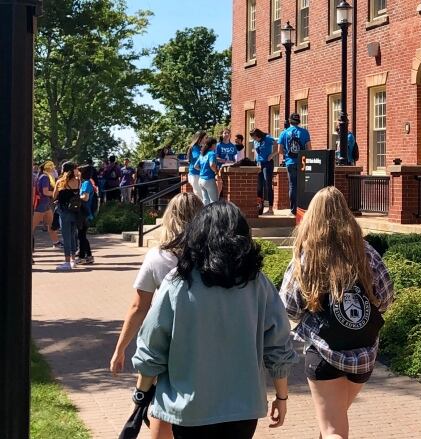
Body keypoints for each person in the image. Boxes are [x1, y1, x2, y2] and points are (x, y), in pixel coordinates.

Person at [132, 201, 297, 438]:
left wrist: (141, 394)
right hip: (244, 407)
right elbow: (279, 345)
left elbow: (152, 346)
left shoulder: (177, 283)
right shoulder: (258, 284)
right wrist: (281, 396)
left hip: (189, 408)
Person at [279, 186, 393, 439]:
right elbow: (385, 297)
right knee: (333, 420)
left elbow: (287, 306)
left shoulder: (307, 256)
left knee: (332, 430)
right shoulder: (367, 252)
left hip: (324, 353)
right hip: (363, 354)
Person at [110, 192, 203, 439]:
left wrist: (121, 348)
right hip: (206, 342)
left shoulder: (159, 256)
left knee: (161, 410)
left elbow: (138, 307)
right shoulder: (213, 257)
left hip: (167, 343)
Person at [276, 112, 311, 214]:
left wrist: (287, 154)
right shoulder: (305, 132)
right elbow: (309, 148)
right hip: (302, 162)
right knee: (303, 185)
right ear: (299, 121)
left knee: (292, 186)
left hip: (290, 162)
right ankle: (303, 209)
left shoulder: (284, 133)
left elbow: (279, 150)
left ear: (290, 121)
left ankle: (293, 210)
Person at [52, 162, 81, 271]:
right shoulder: (78, 181)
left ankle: (67, 261)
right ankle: (73, 259)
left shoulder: (60, 182)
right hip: (75, 211)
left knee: (66, 236)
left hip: (64, 211)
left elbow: (54, 196)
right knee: (73, 235)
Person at [32, 161, 62, 249]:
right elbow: (45, 192)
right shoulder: (45, 177)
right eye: (52, 168)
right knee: (32, 226)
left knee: (51, 224)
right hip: (41, 203)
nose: (54, 170)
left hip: (45, 203)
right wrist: (56, 193)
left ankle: (56, 242)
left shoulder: (42, 176)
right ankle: (26, 243)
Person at [252, 129, 278, 216]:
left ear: (258, 135)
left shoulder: (268, 138)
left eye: (255, 137)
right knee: (259, 186)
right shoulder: (255, 141)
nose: (254, 139)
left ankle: (270, 209)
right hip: (259, 164)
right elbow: (255, 151)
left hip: (267, 164)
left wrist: (272, 154)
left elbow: (277, 145)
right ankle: (260, 208)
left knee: (268, 184)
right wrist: (256, 161)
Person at [75, 165, 96, 265]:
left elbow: (85, 197)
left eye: (79, 172)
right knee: (82, 235)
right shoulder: (86, 182)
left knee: (81, 236)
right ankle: (88, 256)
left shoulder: (86, 183)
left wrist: (76, 197)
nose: (77, 173)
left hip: (85, 213)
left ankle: (82, 256)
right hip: (86, 213)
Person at [195, 137, 219, 205]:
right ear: (213, 145)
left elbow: (195, 166)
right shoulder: (212, 154)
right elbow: (211, 165)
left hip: (201, 180)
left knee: (205, 201)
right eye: (215, 144)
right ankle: (214, 215)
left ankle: (206, 215)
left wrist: (203, 170)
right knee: (214, 201)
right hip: (209, 179)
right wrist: (216, 171)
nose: (216, 146)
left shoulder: (202, 154)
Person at [187, 131, 208, 200]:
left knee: (204, 195)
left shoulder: (201, 147)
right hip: (195, 174)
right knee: (199, 195)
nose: (206, 140)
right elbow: (197, 158)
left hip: (200, 174)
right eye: (205, 138)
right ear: (200, 138)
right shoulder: (195, 147)